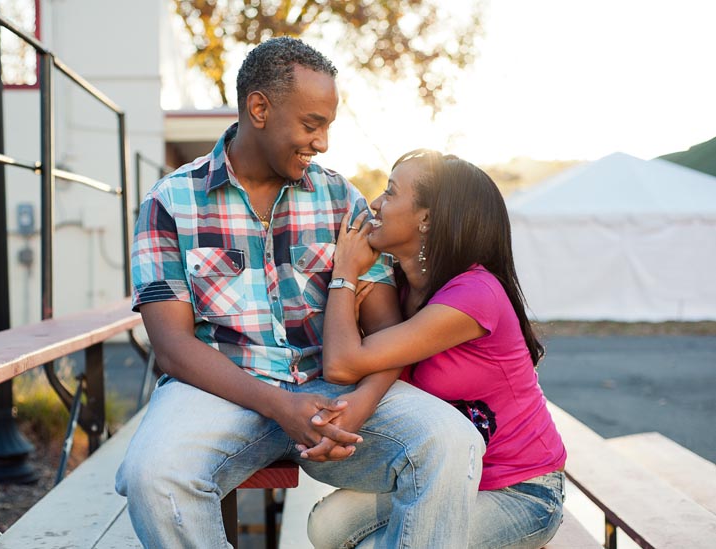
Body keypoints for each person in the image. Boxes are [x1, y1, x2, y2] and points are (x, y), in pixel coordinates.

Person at [115, 38, 484, 548]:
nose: (324, 142)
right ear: (259, 108)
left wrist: (360, 402)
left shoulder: (340, 198)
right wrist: (278, 405)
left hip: (332, 394)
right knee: (152, 477)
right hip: (221, 392)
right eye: (312, 124)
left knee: (452, 441)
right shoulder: (170, 202)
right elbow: (173, 346)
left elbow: (384, 330)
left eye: (329, 125)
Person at [307, 149, 568, 549]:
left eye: (391, 193)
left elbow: (343, 363)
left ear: (426, 219)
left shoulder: (474, 295)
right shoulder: (403, 287)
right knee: (327, 525)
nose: (375, 204)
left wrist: (345, 269)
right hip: (447, 475)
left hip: (522, 490)